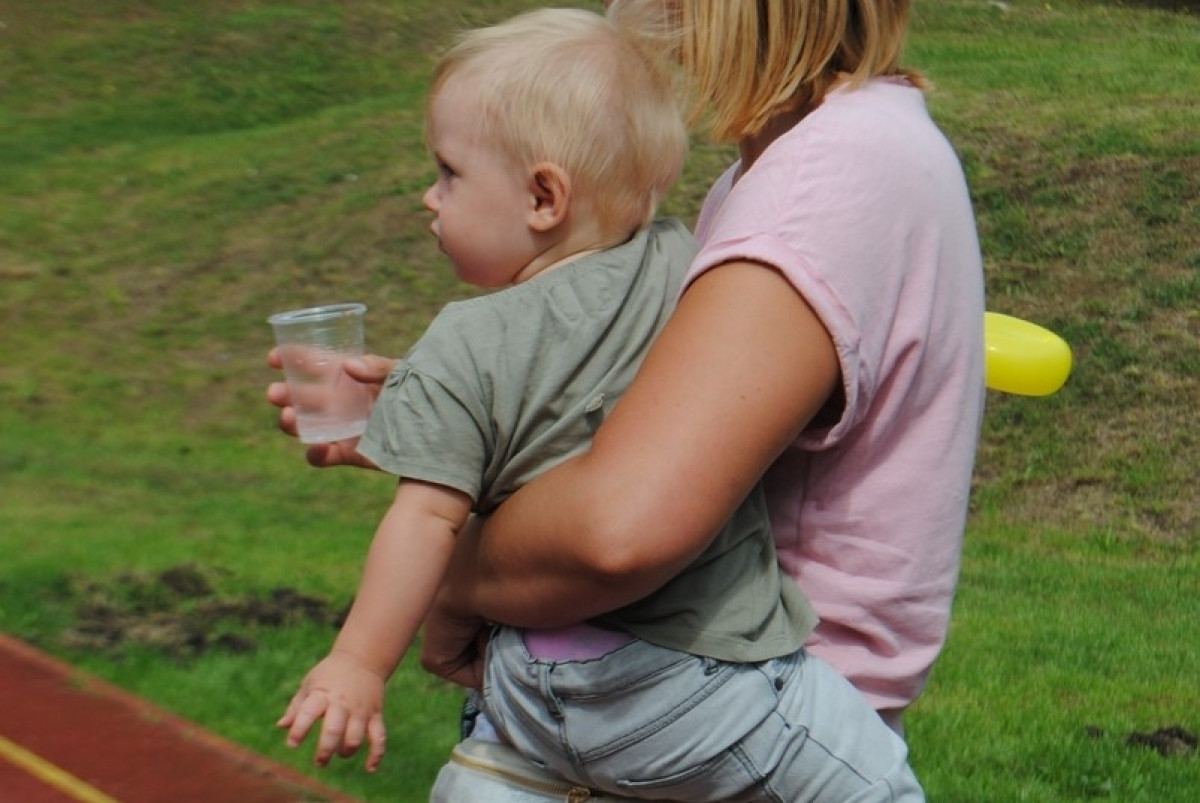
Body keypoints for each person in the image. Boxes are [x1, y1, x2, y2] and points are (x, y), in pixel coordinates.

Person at [271, 0, 985, 798]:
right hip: (699, 705)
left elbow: (613, 534)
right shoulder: (776, 181)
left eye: (447, 173)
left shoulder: (817, 185)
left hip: (717, 687)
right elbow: (627, 400)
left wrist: (441, 574)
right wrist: (435, 414)